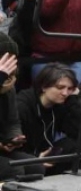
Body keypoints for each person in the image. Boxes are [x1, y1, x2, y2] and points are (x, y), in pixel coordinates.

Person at [16, 63, 81, 174]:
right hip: (23, 156)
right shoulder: (22, 106)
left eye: (70, 88)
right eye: (60, 87)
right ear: (44, 86)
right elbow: (13, 145)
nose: (65, 93)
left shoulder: (60, 104)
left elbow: (78, 132)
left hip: (46, 154)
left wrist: (73, 100)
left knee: (74, 145)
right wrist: (35, 157)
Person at [0, 33, 47, 182]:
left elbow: (13, 122)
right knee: (12, 169)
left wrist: (13, 138)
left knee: (35, 165)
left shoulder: (9, 88)